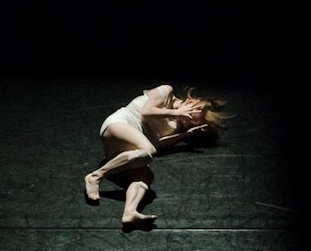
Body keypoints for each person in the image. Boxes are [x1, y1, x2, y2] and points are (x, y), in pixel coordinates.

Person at [84, 84, 227, 227]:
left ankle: (130, 212)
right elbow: (146, 112)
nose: (186, 121)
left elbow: (157, 144)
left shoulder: (176, 126)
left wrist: (185, 135)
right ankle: (96, 176)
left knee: (146, 175)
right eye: (189, 116)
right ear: (190, 102)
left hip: (120, 149)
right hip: (117, 124)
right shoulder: (166, 92)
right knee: (148, 151)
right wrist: (176, 113)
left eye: (190, 122)